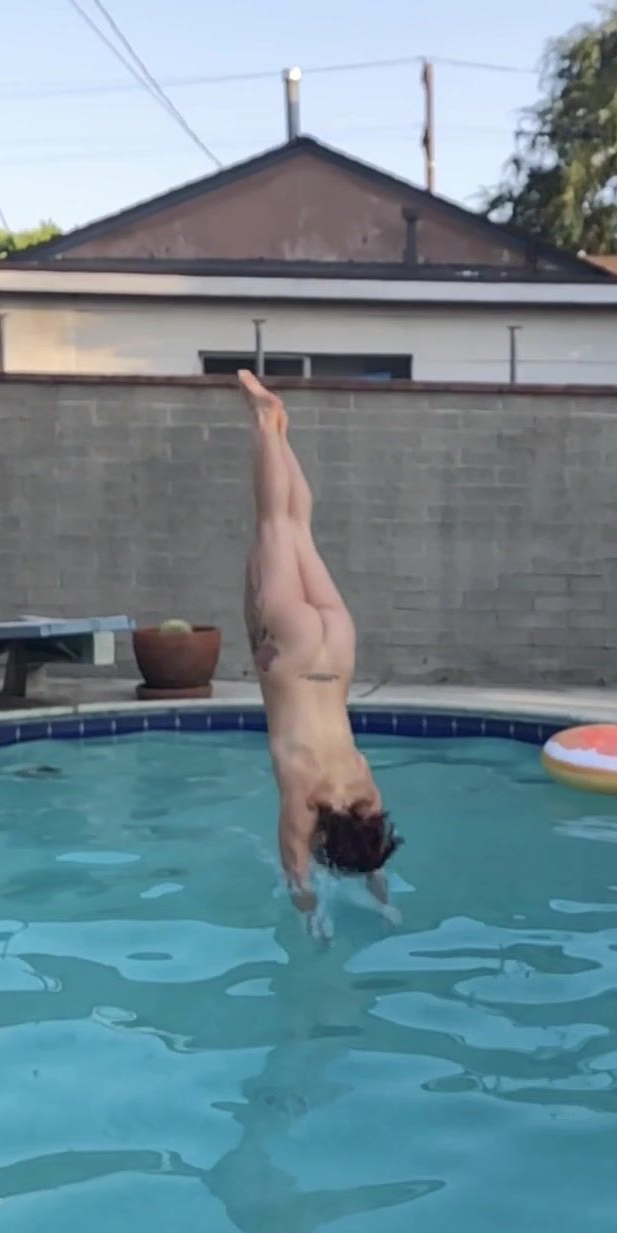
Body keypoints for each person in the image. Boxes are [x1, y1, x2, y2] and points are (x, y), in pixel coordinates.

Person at [239, 369, 400, 914]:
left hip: (336, 646)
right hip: (295, 650)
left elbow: (371, 852)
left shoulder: (364, 789)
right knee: (274, 524)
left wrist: (384, 897)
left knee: (299, 527)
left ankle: (280, 430)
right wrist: (311, 921)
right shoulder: (307, 797)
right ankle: (266, 421)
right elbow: (297, 872)